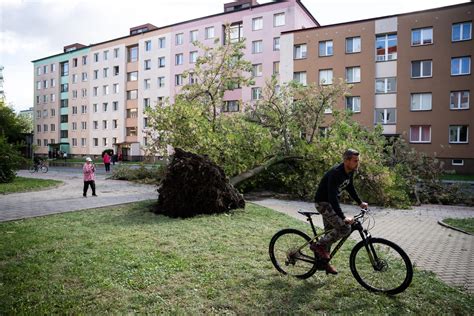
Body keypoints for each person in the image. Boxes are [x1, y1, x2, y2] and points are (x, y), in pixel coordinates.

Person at [310, 149, 368, 275]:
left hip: (330, 204)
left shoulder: (350, 171)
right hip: (323, 203)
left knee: (330, 233)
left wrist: (360, 202)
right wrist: (342, 217)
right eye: (355, 161)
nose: (357, 163)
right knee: (345, 228)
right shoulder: (336, 173)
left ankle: (324, 263)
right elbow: (332, 198)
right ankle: (318, 245)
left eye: (358, 161)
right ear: (346, 160)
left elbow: (350, 187)